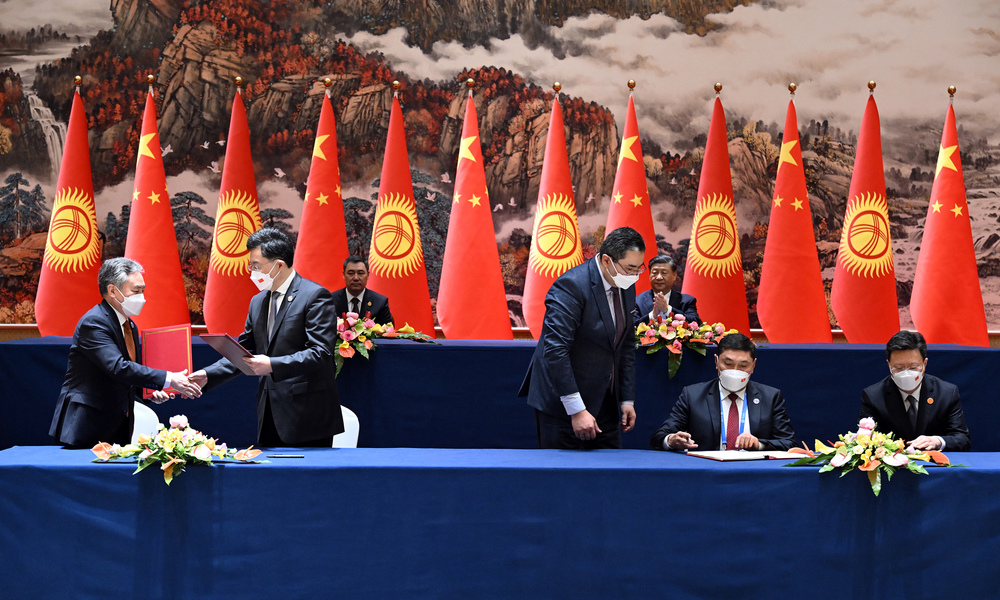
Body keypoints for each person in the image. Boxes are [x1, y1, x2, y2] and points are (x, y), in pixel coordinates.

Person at [191, 228, 344, 447]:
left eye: (256, 266)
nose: (251, 272)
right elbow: (245, 350)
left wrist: (272, 364)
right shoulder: (258, 301)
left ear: (279, 265)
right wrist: (208, 374)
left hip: (307, 413)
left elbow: (320, 353)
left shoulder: (314, 296)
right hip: (269, 409)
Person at [49, 258, 202, 447]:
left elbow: (126, 373)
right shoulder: (94, 322)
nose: (142, 297)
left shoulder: (129, 325)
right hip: (88, 423)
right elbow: (118, 367)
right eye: (136, 291)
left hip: (118, 424)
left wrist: (148, 391)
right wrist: (169, 378)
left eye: (143, 290)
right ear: (113, 291)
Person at [519, 226, 644, 449]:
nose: (634, 275)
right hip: (563, 401)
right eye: (630, 268)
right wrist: (576, 409)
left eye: (639, 268)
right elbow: (556, 350)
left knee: (611, 468)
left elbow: (624, 345)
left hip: (604, 398)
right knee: (563, 469)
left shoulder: (625, 285)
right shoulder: (571, 285)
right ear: (606, 260)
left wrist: (626, 399)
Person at [651, 332, 795, 451]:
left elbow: (789, 443)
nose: (735, 371)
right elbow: (659, 437)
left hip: (753, 470)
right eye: (728, 364)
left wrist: (759, 444)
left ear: (753, 366)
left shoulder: (770, 397)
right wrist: (671, 440)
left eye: (743, 366)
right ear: (716, 362)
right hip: (707, 470)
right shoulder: (693, 395)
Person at [860, 330, 970, 451]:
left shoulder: (946, 393)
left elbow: (962, 439)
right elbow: (866, 441)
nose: (906, 373)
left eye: (913, 367)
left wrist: (938, 441)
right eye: (898, 368)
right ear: (889, 365)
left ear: (924, 364)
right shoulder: (873, 396)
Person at [633, 254, 700, 326]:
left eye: (664, 273)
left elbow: (696, 323)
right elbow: (631, 327)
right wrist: (653, 315)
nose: (659, 277)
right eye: (655, 273)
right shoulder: (637, 301)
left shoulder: (686, 301)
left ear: (674, 275)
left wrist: (668, 310)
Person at [331, 256, 393, 324]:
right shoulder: (331, 301)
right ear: (343, 275)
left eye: (360, 273)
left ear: (368, 275)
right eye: (351, 273)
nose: (356, 278)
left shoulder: (380, 302)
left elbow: (387, 329)